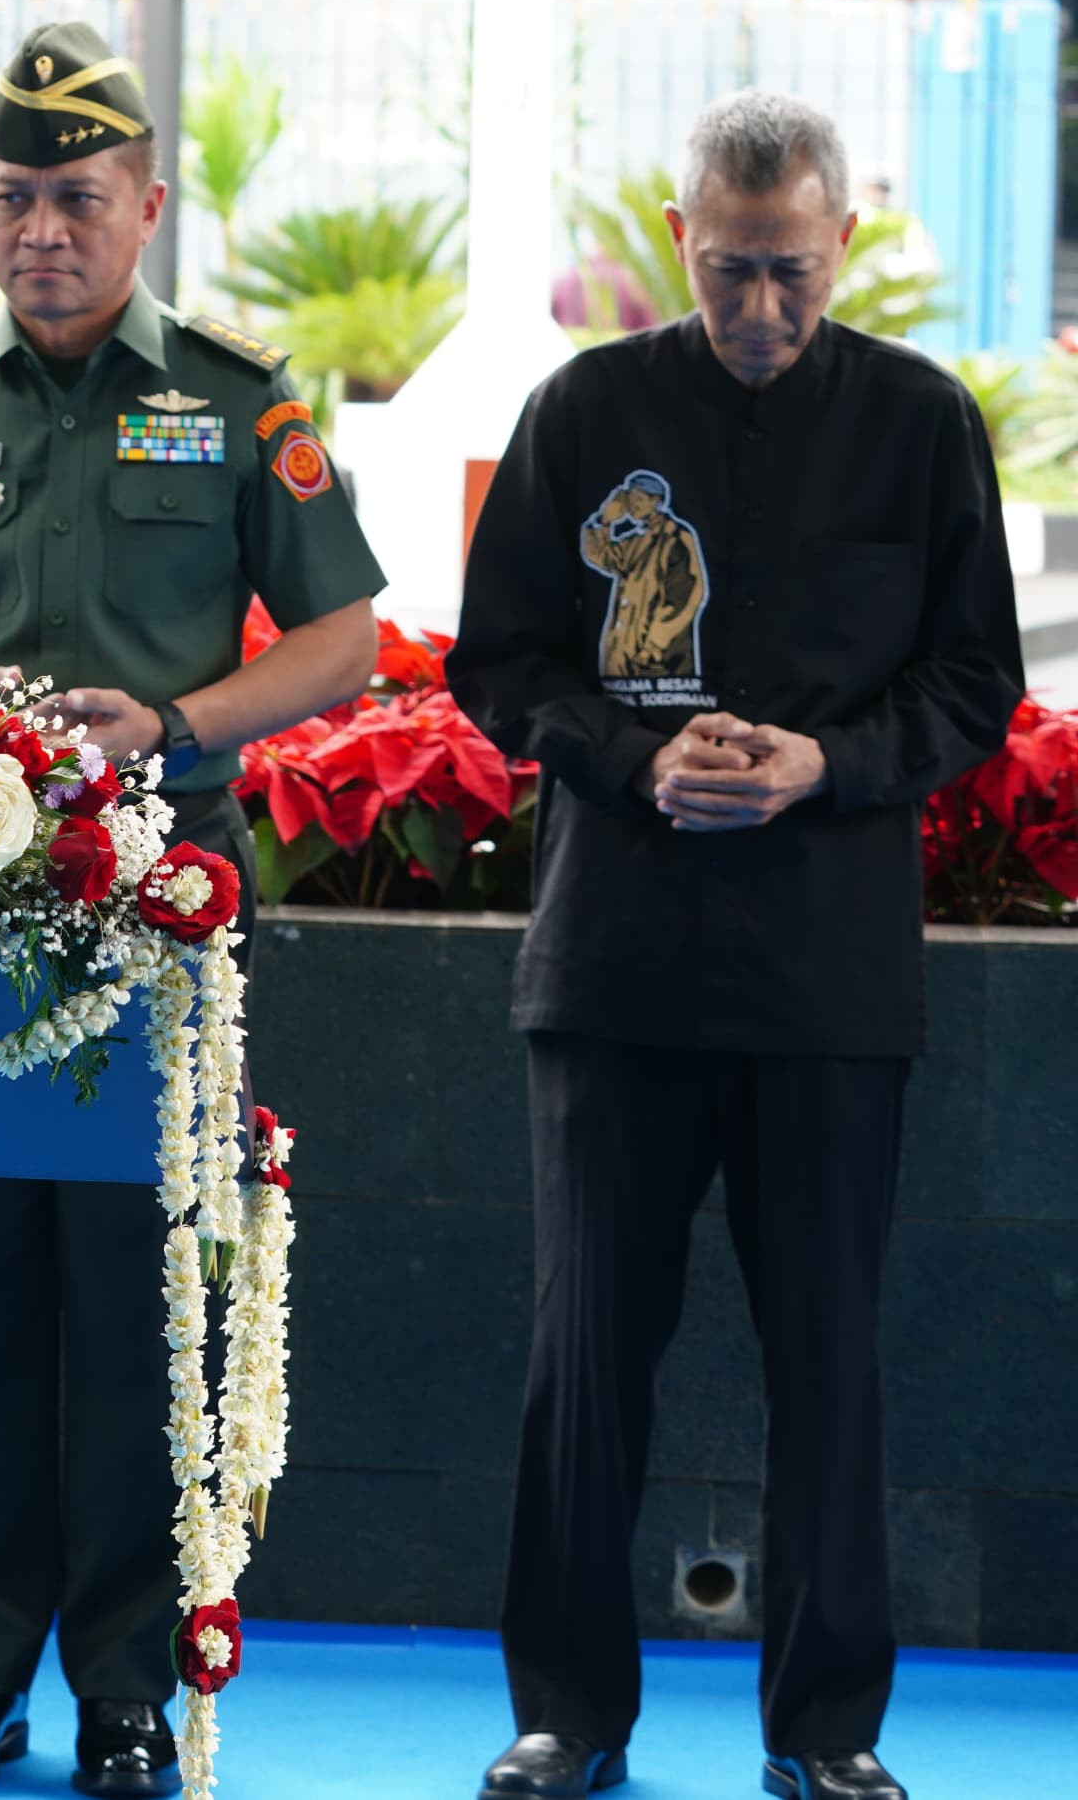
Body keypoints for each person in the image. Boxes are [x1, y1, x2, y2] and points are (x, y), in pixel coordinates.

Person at [0, 18, 382, 1800]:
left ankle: (126, 1681)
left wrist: (182, 725)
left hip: (159, 907)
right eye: (13, 196)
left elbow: (341, 640)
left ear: (146, 204)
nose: (44, 229)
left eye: (79, 197)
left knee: (142, 1301)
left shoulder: (235, 396)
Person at [445, 92, 1016, 1800]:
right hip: (615, 959)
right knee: (584, 1355)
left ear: (844, 239)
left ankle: (829, 1730)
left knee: (828, 1358)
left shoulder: (922, 425)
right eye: (724, 270)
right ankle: (568, 1713)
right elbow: (499, 659)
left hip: (831, 974)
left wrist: (826, 761)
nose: (758, 308)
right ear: (675, 243)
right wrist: (635, 755)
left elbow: (975, 682)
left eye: (788, 270)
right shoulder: (586, 410)